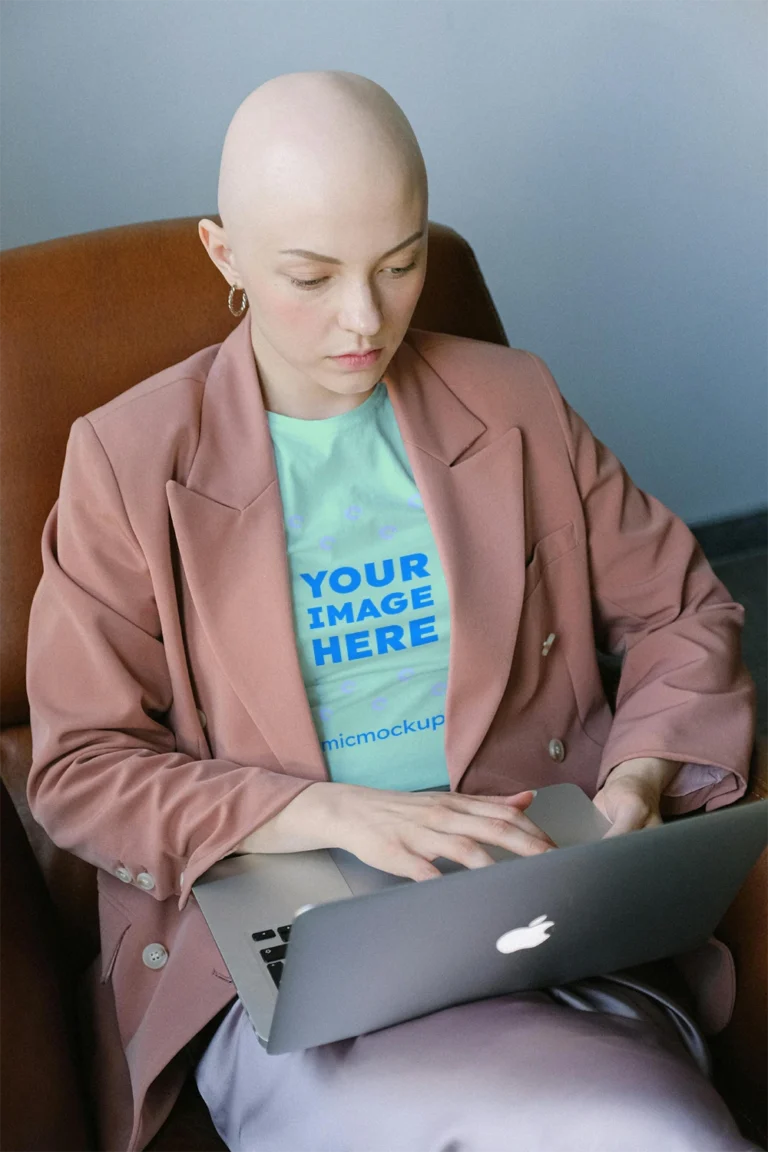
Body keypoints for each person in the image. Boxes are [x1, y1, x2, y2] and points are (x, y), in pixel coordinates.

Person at [25, 71, 757, 1152]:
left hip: (532, 895)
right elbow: (79, 767)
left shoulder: (515, 402)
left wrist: (637, 782)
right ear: (224, 255)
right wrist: (334, 813)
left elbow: (685, 615)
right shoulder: (129, 461)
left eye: (401, 262)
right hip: (290, 926)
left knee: (645, 1128)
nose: (364, 320)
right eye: (311, 278)